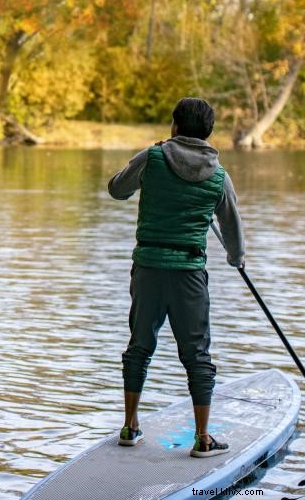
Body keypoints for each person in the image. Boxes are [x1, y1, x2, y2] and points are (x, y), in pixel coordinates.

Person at [108, 97, 244, 458]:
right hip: (189, 274)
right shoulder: (219, 177)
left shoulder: (152, 158)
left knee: (139, 347)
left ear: (175, 126)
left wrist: (148, 160)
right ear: (208, 133)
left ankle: (130, 426)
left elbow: (116, 189)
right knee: (197, 354)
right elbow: (232, 228)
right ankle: (202, 438)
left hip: (149, 267)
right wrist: (236, 257)